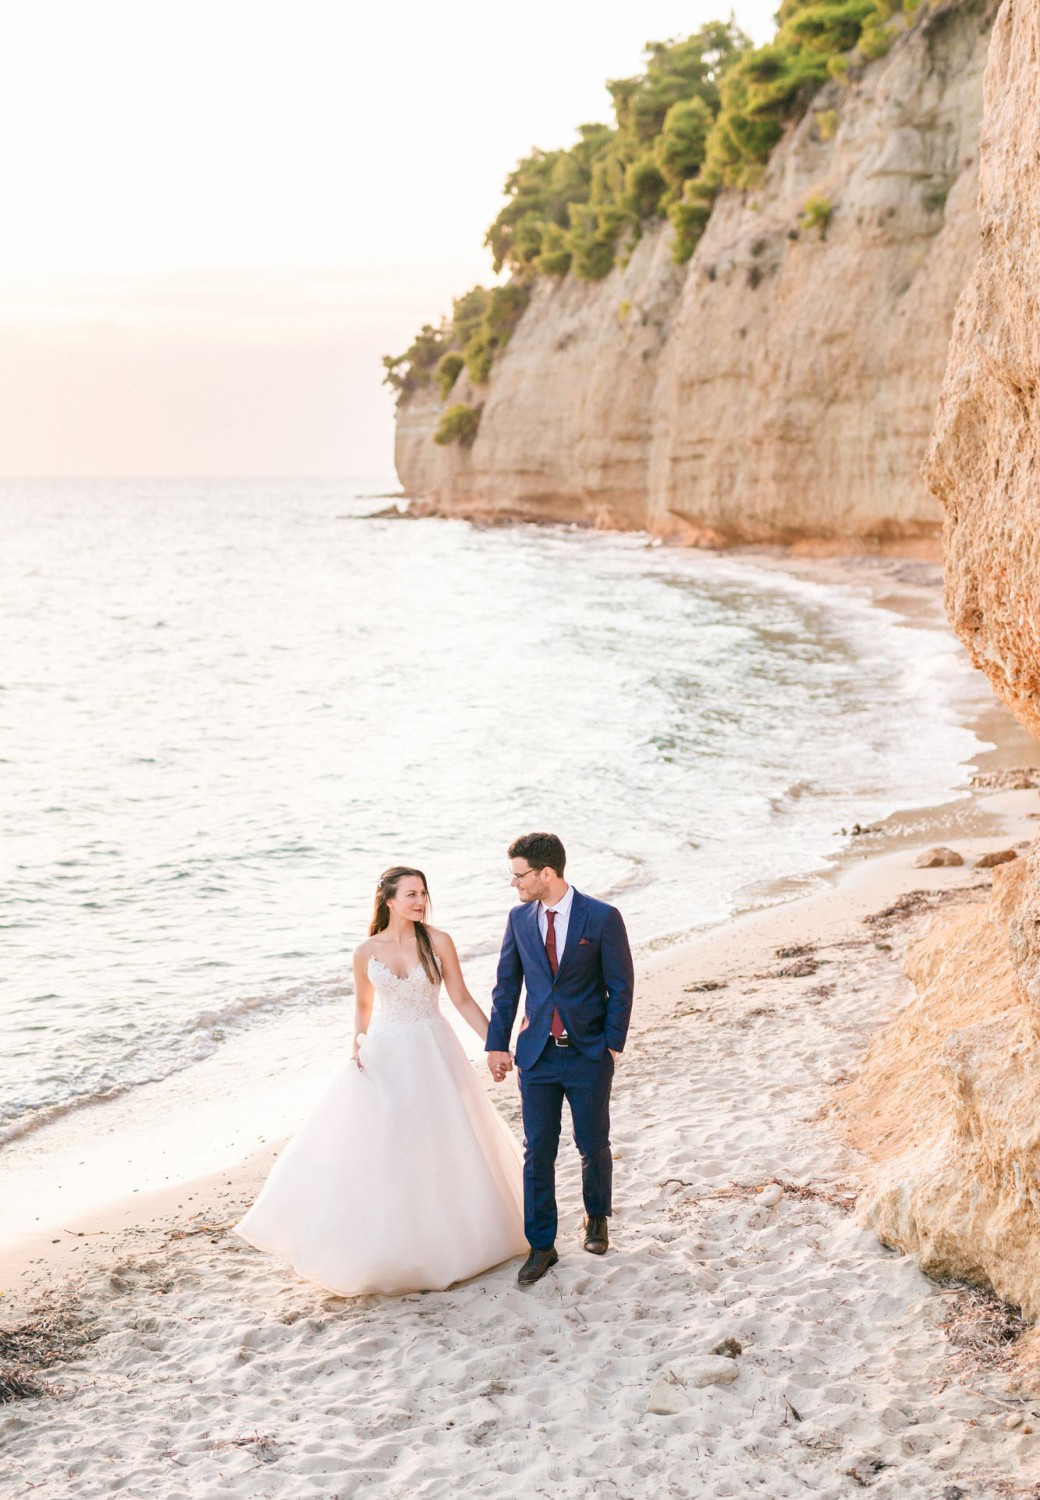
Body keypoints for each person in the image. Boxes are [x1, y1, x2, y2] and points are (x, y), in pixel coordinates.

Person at [235, 866, 526, 1295]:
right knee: (391, 1144)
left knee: (444, 1140)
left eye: (423, 893)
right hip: (386, 1053)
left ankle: (455, 1239)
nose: (420, 901)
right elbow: (363, 1006)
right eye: (411, 894)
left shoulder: (438, 940)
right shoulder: (365, 951)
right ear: (388, 900)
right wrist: (356, 1045)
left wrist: (496, 1045)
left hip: (433, 1048)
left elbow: (461, 999)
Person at [486, 833, 634, 1286]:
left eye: (519, 875)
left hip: (589, 1052)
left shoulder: (602, 917)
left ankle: (597, 1218)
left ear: (546, 873)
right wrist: (497, 1044)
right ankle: (542, 1245)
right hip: (537, 1056)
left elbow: (621, 985)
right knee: (538, 1150)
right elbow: (507, 986)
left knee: (593, 1142)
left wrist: (612, 1043)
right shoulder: (518, 919)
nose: (514, 883)